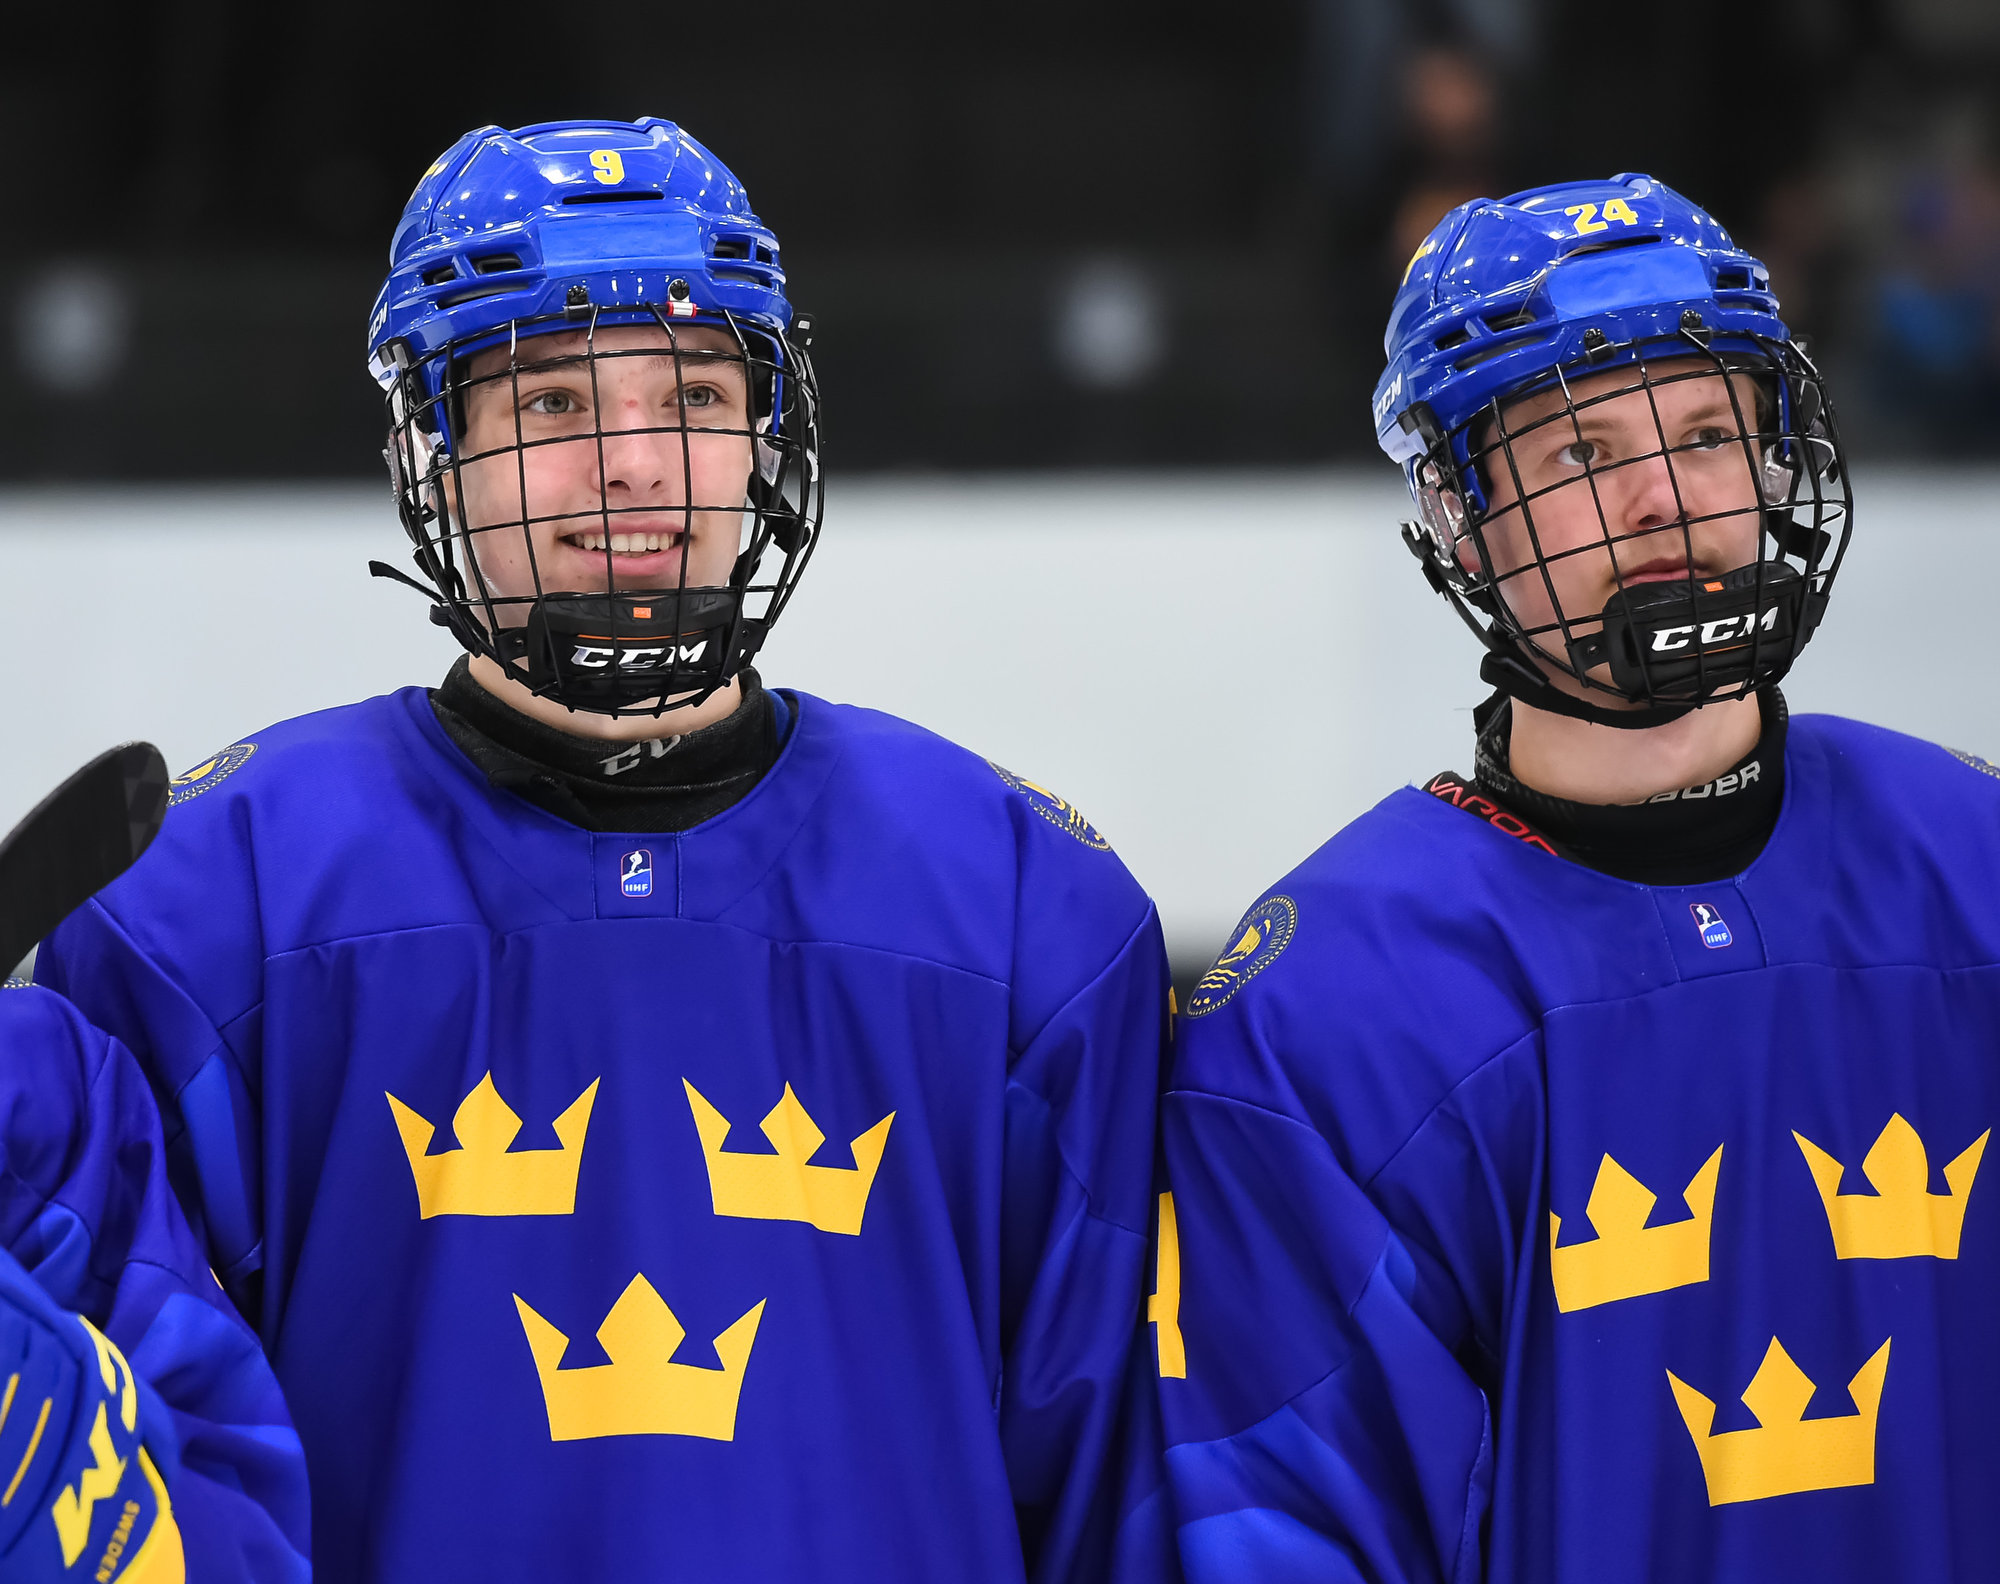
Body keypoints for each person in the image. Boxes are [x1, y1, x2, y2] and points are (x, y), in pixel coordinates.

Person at [38, 118, 1170, 1582]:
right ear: (433, 454)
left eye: (693, 396)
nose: (634, 466)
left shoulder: (1027, 905)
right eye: (552, 400)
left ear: (767, 440)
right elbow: (134, 1486)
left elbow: (1111, 1498)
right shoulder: (203, 905)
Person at [1152, 172, 2000, 1581]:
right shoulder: (1332, 1006)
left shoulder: (1971, 862)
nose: (1663, 501)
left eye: (1707, 434)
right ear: (1459, 517)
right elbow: (1276, 1514)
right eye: (1580, 454)